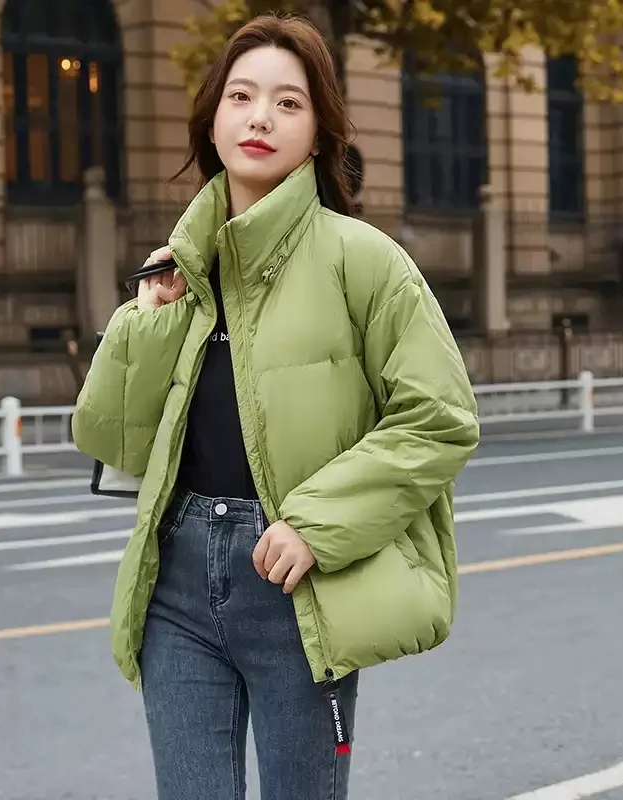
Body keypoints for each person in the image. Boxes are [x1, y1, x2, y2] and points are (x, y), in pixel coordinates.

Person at [72, 12, 479, 800]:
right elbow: (108, 437)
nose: (261, 117)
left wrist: (317, 524)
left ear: (321, 132)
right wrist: (146, 328)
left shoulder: (365, 261)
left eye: (289, 103)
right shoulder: (176, 269)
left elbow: (440, 418)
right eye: (242, 96)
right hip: (177, 583)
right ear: (213, 119)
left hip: (298, 582)